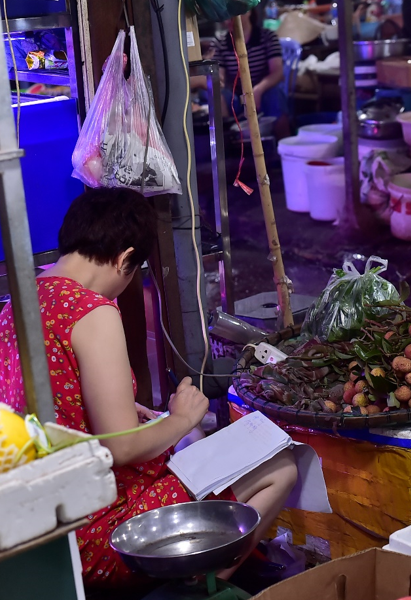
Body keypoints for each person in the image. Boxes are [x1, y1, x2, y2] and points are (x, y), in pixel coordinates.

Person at [0, 188, 297, 588]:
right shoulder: (92, 311)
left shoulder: (18, 302)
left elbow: (55, 408)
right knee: (280, 467)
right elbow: (120, 447)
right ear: (125, 260)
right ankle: (193, 588)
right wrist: (181, 418)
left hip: (36, 525)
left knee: (188, 442)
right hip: (98, 535)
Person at [210, 7, 286, 119]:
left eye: (232, 16)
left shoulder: (267, 37)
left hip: (264, 89)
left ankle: (283, 135)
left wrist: (258, 90)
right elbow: (219, 77)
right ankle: (228, 134)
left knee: (275, 96)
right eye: (225, 16)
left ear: (248, 11)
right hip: (236, 95)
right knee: (215, 95)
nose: (227, 21)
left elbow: (277, 72)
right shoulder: (220, 42)